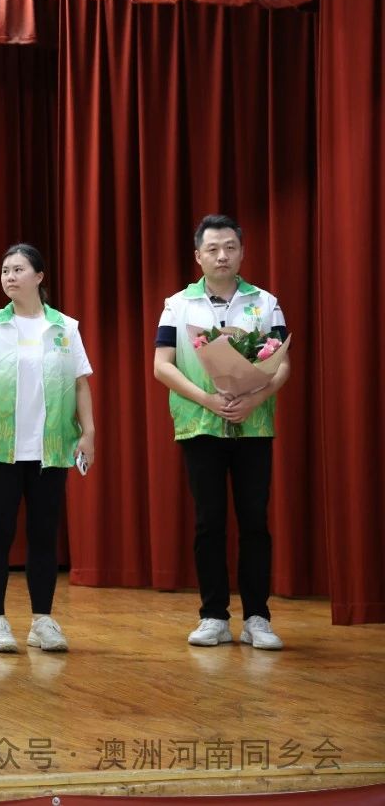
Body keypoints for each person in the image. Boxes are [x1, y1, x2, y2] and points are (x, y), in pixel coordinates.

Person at [152, 214, 290, 650]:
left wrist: (255, 399)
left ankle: (257, 618)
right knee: (208, 522)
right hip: (200, 425)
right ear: (198, 256)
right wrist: (207, 399)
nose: (222, 255)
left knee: (254, 521)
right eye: (212, 249)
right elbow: (162, 365)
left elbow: (283, 364)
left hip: (253, 425)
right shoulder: (178, 305)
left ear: (242, 252)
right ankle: (213, 615)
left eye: (230, 247)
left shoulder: (265, 302)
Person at [0, 244, 94, 654]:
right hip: (1, 449)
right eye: (5, 270)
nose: (9, 277)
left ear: (39, 276)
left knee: (43, 534)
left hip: (50, 449)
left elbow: (80, 384)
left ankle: (42, 621)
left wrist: (88, 432)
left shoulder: (64, 327)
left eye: (18, 269)